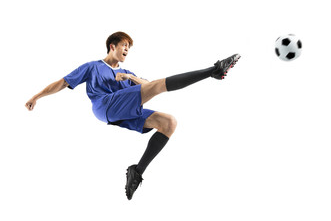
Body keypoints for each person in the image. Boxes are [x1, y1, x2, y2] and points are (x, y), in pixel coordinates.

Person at [25, 31, 241, 200]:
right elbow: (62, 82)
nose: (127, 50)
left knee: (168, 122)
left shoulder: (127, 74)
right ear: (113, 46)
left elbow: (148, 85)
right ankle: (213, 70)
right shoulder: (93, 67)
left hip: (122, 112)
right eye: (124, 46)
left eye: (129, 47)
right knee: (158, 87)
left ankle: (136, 172)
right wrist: (36, 96)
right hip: (104, 106)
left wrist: (128, 76)